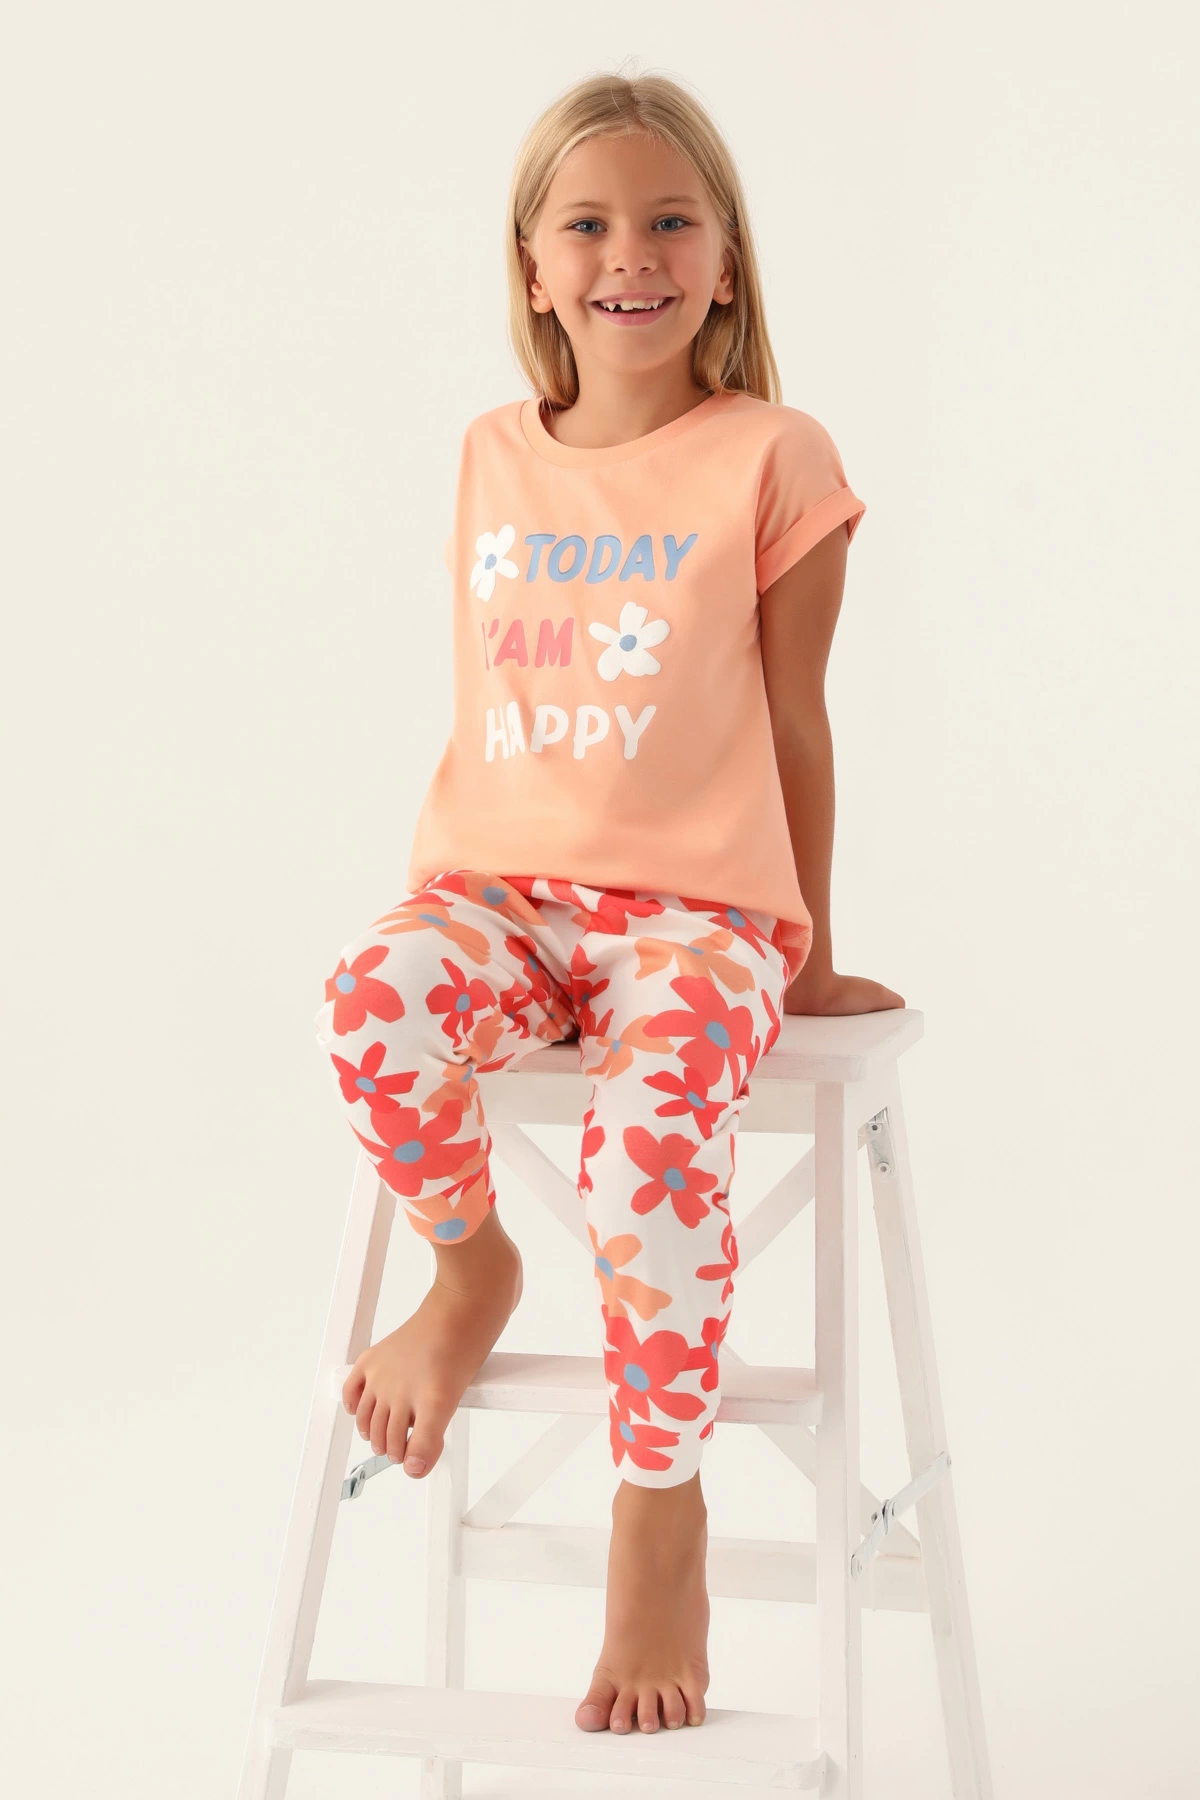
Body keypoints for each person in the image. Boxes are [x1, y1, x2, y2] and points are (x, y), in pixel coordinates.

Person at [313, 68, 903, 1740]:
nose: (628, 254)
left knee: (646, 1146)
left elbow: (796, 720)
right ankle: (470, 1268)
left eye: (669, 221)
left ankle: (661, 1501)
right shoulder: (490, 453)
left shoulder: (775, 455)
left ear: (725, 259)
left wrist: (809, 950)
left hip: (699, 915)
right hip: (501, 891)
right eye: (587, 224)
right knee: (367, 999)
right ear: (532, 263)